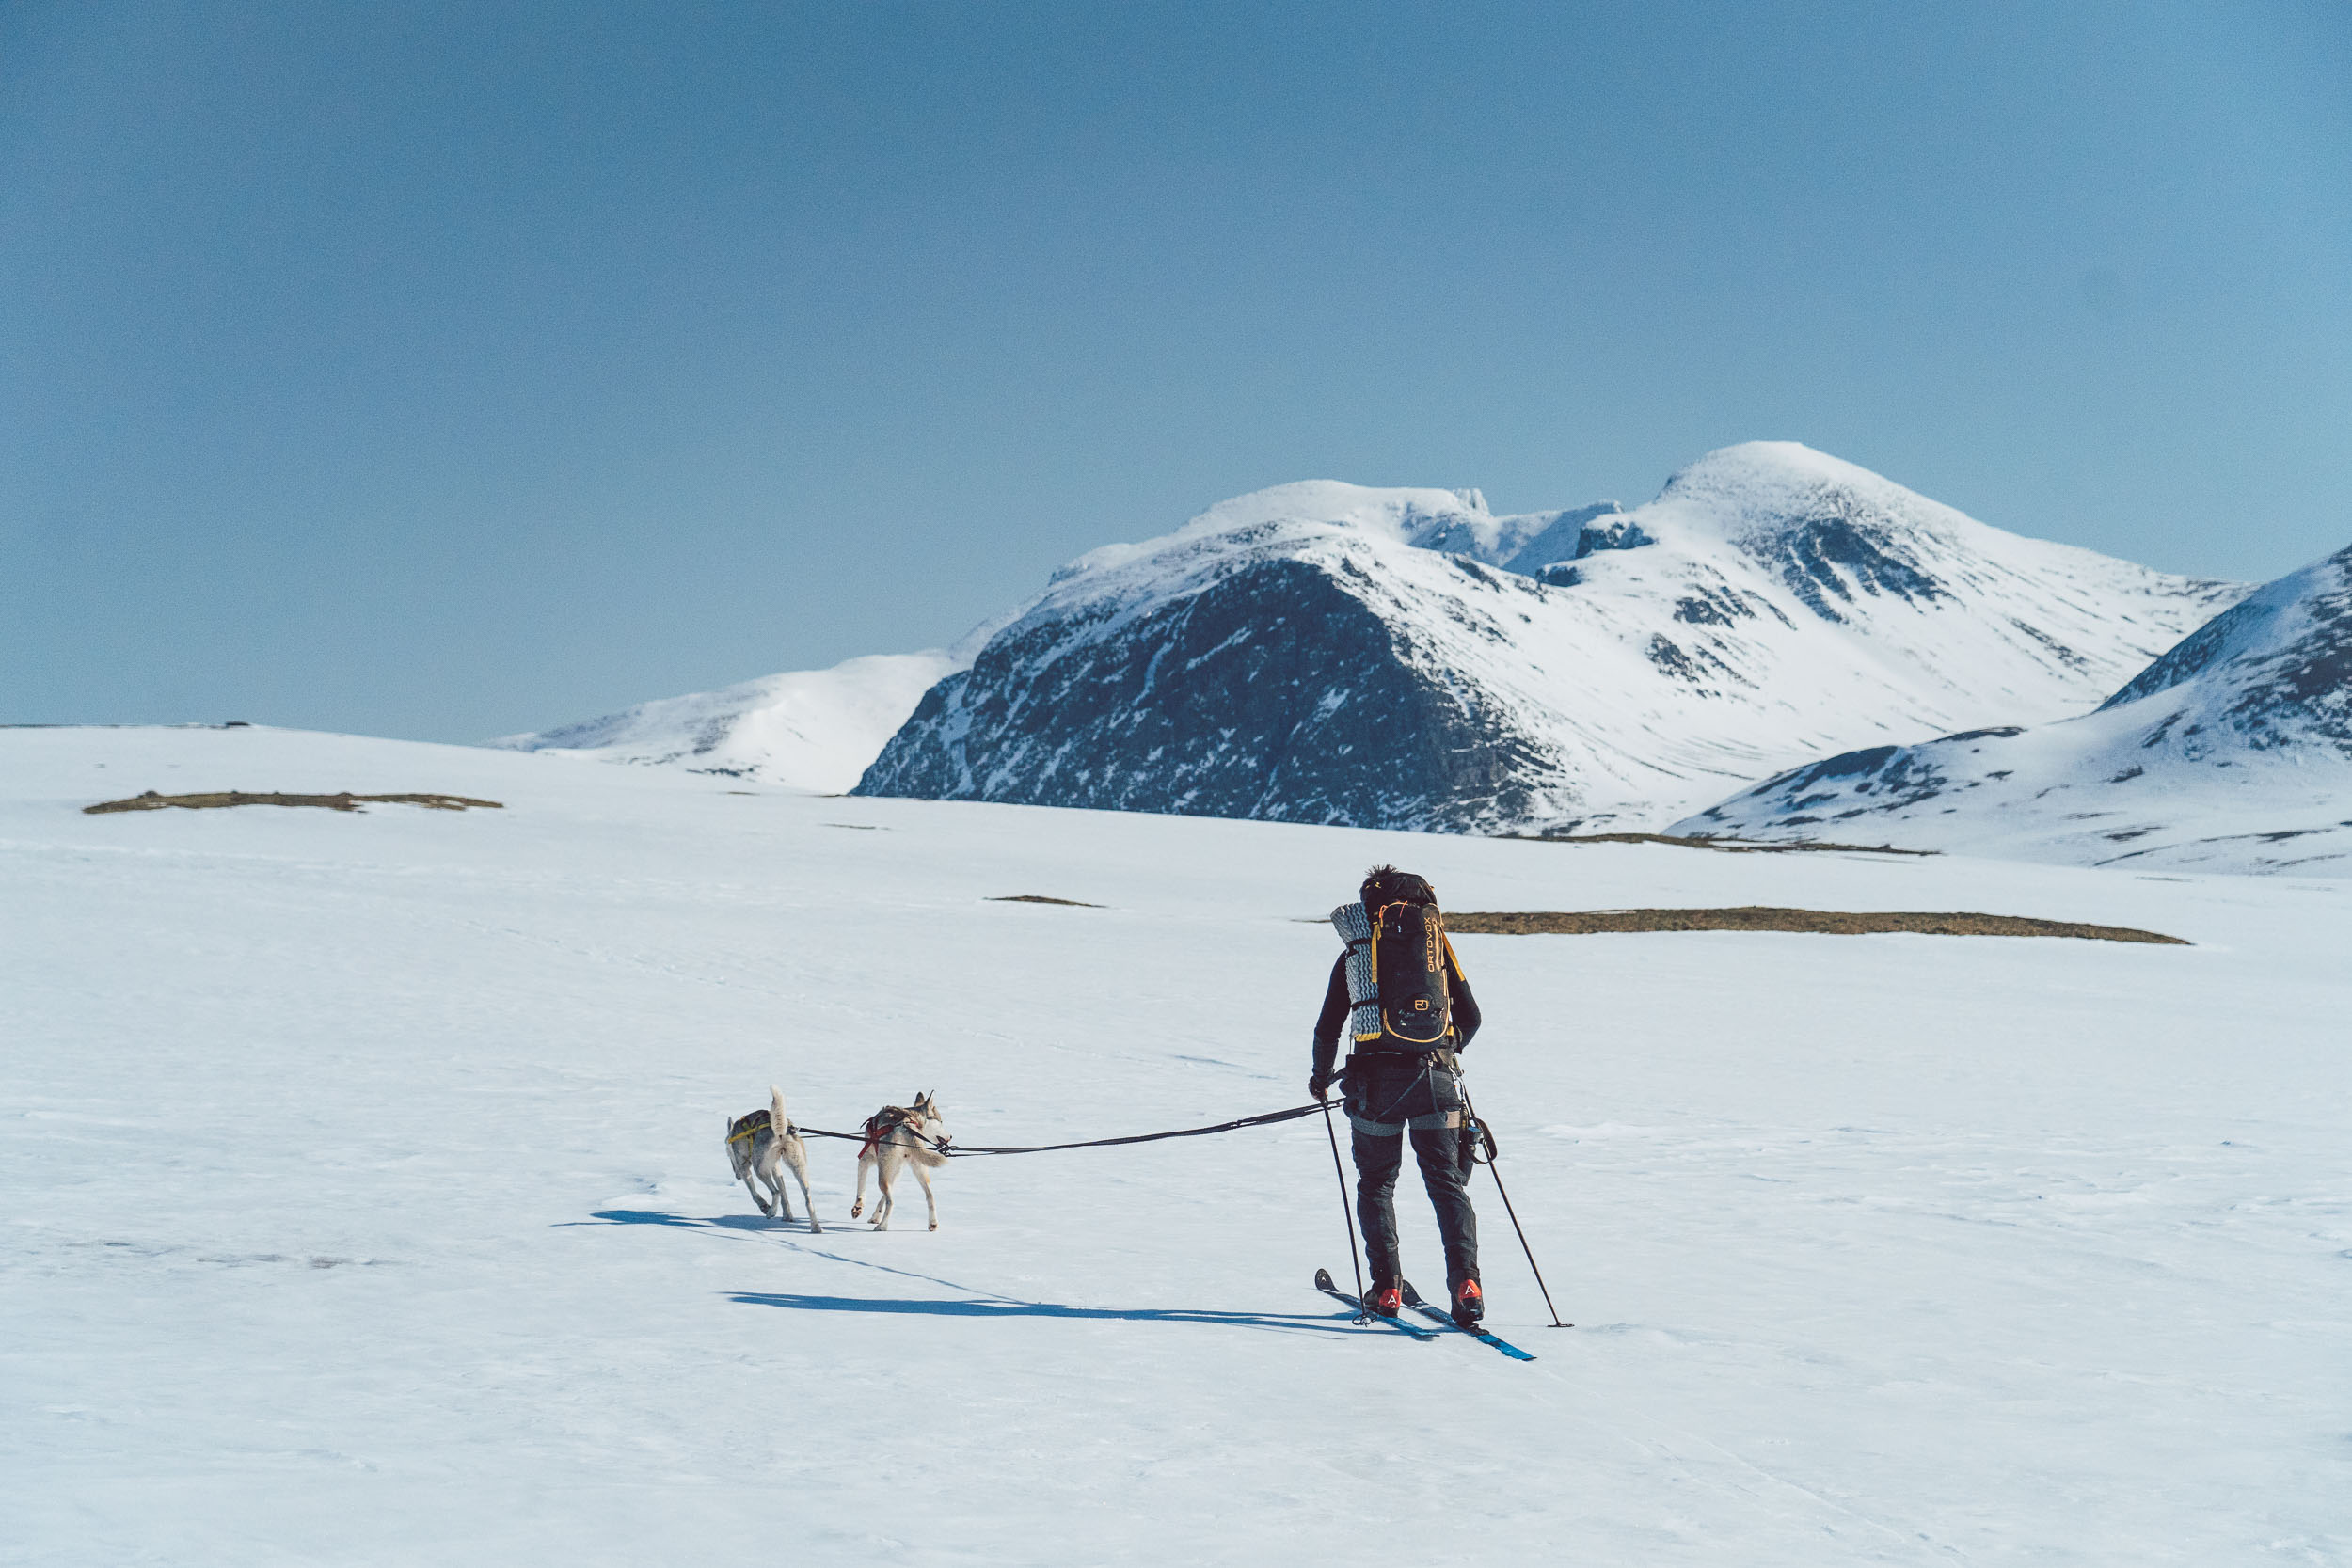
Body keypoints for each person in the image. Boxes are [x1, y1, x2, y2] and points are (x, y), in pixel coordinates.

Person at [1310, 864, 1484, 1327]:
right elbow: (1473, 1017)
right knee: (1446, 1185)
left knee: (1377, 1183)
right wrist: (1443, 1049)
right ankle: (1467, 1285)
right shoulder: (1436, 951)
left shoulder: (1356, 956)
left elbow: (1328, 1027)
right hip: (1436, 1082)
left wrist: (1320, 1076)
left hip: (1374, 1088)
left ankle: (1386, 1287)